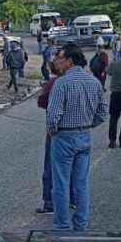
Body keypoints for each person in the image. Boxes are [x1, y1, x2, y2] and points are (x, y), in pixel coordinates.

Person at [46, 43, 108, 231]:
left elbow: (53, 115)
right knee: (81, 183)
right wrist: (89, 124)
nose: (57, 62)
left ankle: (62, 226)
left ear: (70, 61)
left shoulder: (62, 83)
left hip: (64, 136)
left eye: (60, 59)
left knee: (61, 184)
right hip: (84, 135)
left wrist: (54, 131)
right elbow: (102, 112)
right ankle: (81, 225)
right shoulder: (94, 82)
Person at [35, 58, 75, 215]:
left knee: (51, 168)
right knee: (73, 168)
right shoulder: (76, 81)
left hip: (56, 132)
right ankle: (72, 199)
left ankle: (50, 203)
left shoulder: (54, 83)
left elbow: (42, 102)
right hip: (75, 130)